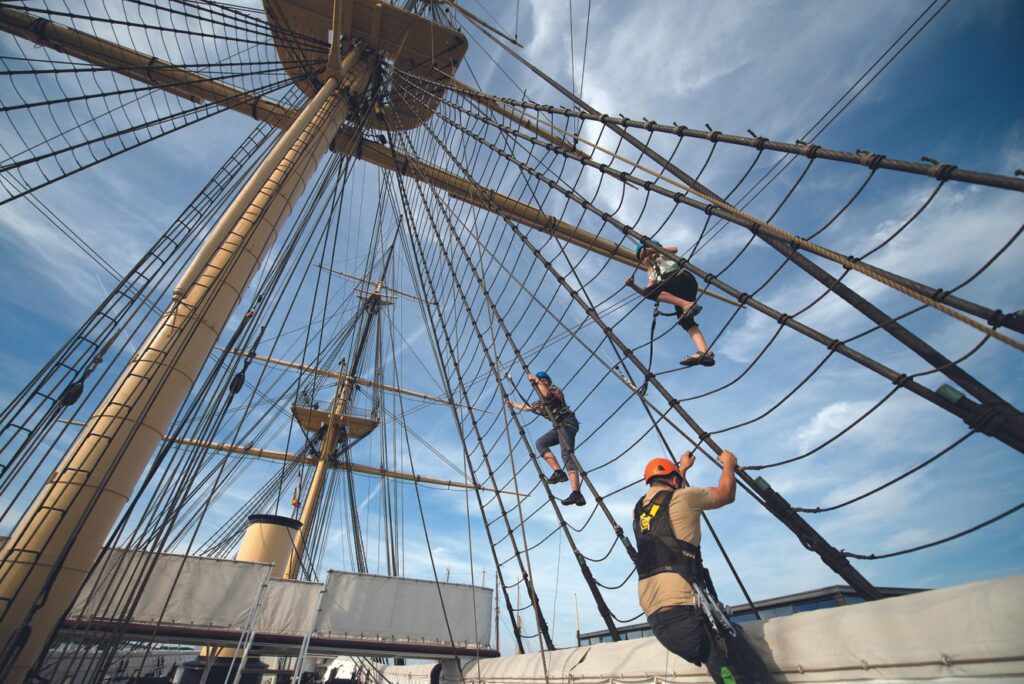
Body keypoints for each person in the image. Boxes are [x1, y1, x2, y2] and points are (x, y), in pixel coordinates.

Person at [634, 450, 767, 683]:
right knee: (741, 666)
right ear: (674, 481)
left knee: (720, 662)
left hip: (658, 619)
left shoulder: (640, 511)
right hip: (686, 612)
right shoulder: (685, 498)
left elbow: (670, 503)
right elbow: (726, 494)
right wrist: (728, 465)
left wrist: (681, 470)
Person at [624, 241, 714, 367]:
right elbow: (647, 292)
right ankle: (705, 352)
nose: (645, 257)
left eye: (644, 253)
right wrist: (632, 286)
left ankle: (687, 305)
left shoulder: (662, 254)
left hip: (681, 278)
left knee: (656, 293)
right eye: (642, 256)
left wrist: (653, 250)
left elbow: (674, 248)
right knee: (685, 321)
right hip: (678, 292)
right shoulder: (650, 271)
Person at [506, 370, 585, 506]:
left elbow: (547, 394)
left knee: (566, 453)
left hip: (567, 422)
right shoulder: (540, 403)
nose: (542, 383)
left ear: (548, 382)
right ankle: (558, 472)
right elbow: (529, 408)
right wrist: (513, 404)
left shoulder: (554, 390)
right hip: (559, 426)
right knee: (541, 443)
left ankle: (577, 493)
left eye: (544, 381)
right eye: (541, 381)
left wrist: (535, 380)